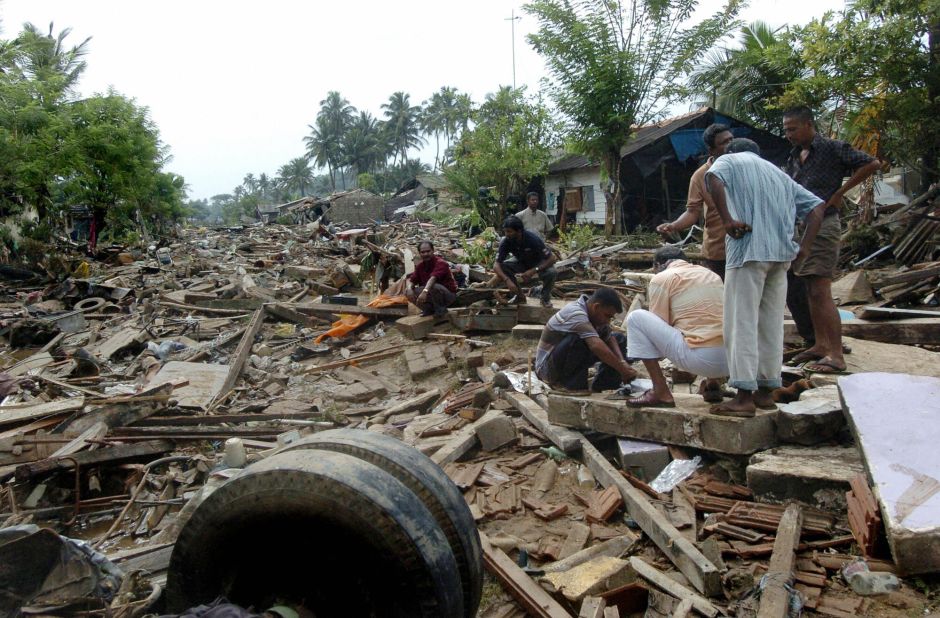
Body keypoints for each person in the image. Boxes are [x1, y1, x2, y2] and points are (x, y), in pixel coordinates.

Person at [705, 138, 827, 417]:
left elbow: (712, 177)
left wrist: (726, 220)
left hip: (748, 252)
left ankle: (744, 397)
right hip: (780, 256)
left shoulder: (730, 159)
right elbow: (817, 208)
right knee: (771, 324)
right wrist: (804, 248)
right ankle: (765, 393)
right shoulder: (778, 173)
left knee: (741, 322)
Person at [783, 106, 881, 373]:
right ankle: (820, 345)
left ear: (808, 125)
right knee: (810, 290)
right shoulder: (793, 156)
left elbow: (872, 163)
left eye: (792, 129)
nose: (788, 134)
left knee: (821, 290)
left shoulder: (832, 148)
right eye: (786, 130)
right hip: (802, 227)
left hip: (824, 224)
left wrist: (840, 193)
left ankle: (836, 355)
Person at [623, 246, 728, 408]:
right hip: (732, 361)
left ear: (658, 265)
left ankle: (660, 391)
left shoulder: (662, 278)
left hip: (699, 358)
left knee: (636, 318)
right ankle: (713, 383)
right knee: (707, 322)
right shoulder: (711, 275)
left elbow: (660, 322)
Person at [657, 124, 735, 279]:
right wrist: (673, 225)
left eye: (731, 140)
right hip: (719, 249)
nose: (730, 145)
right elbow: (692, 212)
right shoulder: (700, 176)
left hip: (748, 247)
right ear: (711, 150)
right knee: (720, 294)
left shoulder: (745, 168)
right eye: (724, 142)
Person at [535, 288, 637, 392]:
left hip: (565, 359)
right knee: (579, 340)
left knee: (619, 339)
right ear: (596, 307)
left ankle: (605, 386)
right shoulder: (576, 313)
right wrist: (622, 370)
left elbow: (609, 337)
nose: (608, 321)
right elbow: (596, 345)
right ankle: (572, 386)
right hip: (547, 369)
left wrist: (622, 361)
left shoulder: (595, 315)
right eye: (607, 316)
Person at [494, 216, 557, 307]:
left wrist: (533, 271)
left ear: (519, 231)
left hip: (537, 263)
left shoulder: (533, 239)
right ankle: (519, 297)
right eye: (505, 231)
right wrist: (507, 280)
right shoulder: (506, 241)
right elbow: (496, 265)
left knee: (551, 272)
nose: (506, 234)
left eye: (509, 231)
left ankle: (545, 298)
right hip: (522, 262)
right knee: (503, 267)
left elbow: (552, 258)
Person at [405, 240, 457, 317]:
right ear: (419, 253)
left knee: (433, 286)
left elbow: (433, 278)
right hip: (432, 295)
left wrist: (425, 291)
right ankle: (428, 310)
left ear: (433, 251)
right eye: (423, 252)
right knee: (408, 292)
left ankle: (441, 311)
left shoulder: (441, 263)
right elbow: (412, 280)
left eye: (428, 251)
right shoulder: (420, 266)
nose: (426, 254)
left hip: (448, 296)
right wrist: (409, 289)